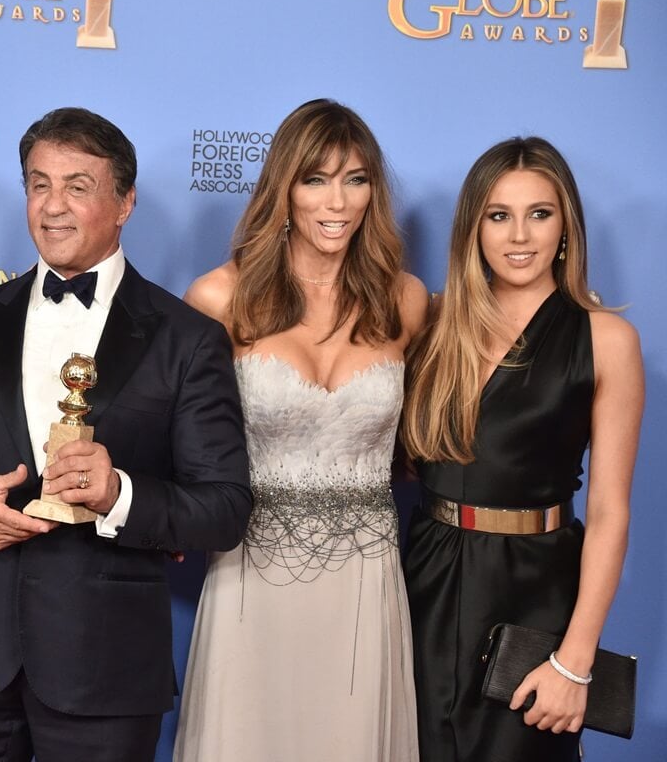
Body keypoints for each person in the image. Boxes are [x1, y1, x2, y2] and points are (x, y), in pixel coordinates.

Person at [0, 107, 252, 762]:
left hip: (105, 668)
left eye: (77, 186)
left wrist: (119, 496)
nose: (53, 207)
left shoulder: (187, 339)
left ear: (125, 202)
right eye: (38, 184)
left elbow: (223, 510)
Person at [174, 99, 426, 761]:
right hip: (249, 574)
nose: (336, 201)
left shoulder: (407, 301)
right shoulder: (218, 299)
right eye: (315, 178)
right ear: (282, 188)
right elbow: (177, 444)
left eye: (356, 178)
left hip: (364, 582)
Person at [400, 137, 642, 761]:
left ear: (566, 226)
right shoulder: (433, 320)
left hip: (536, 589)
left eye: (540, 213)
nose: (519, 236)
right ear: (473, 227)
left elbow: (612, 511)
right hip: (422, 572)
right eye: (498, 215)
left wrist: (575, 661)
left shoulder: (606, 338)